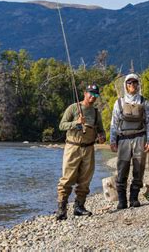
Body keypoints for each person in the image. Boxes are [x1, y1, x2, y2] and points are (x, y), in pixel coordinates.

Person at [56, 84, 106, 220]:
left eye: (95, 95)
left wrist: (102, 136)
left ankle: (79, 207)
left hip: (89, 148)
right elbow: (62, 125)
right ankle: (61, 209)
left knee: (85, 180)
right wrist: (75, 123)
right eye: (90, 94)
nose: (92, 97)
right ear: (85, 93)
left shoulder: (96, 113)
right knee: (67, 179)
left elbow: (101, 130)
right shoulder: (73, 108)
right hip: (73, 147)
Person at [109, 73, 149, 209]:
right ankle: (122, 201)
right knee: (122, 169)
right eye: (129, 83)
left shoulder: (144, 102)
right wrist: (112, 140)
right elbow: (114, 122)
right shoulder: (119, 102)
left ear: (138, 84)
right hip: (123, 139)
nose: (132, 85)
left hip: (140, 137)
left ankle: (134, 198)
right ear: (125, 85)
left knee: (139, 169)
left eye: (134, 83)